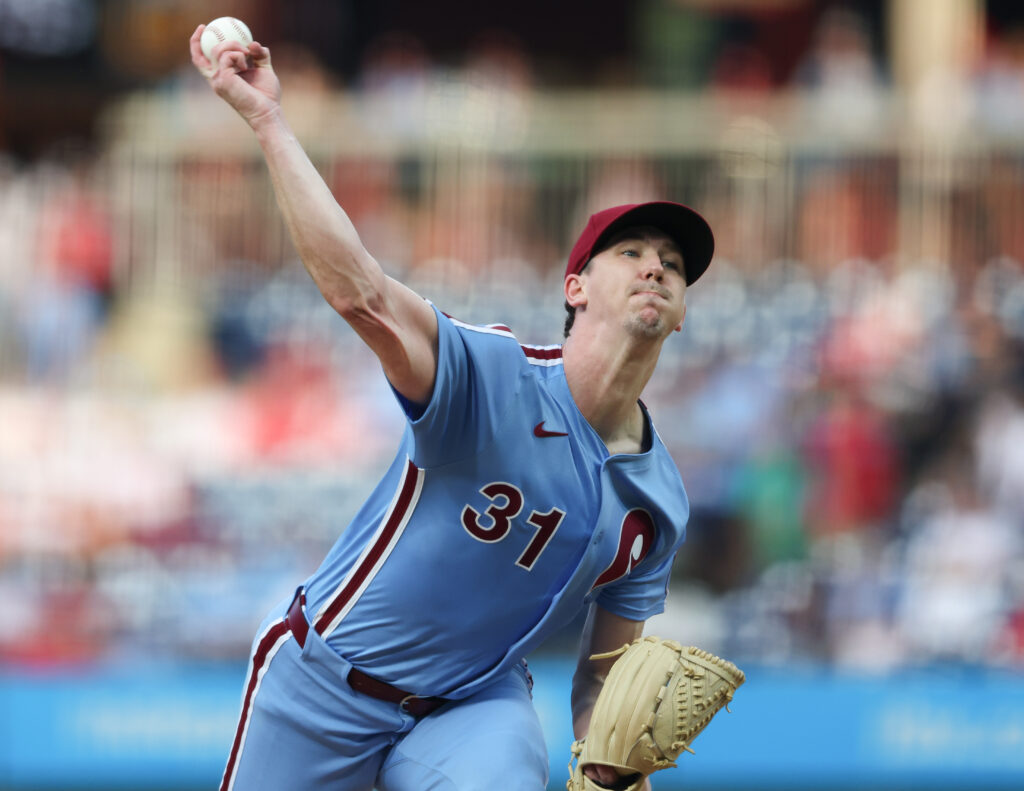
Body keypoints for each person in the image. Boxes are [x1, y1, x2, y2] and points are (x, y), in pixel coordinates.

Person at [190, 25, 715, 791]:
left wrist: (616, 769)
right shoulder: (493, 376)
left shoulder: (658, 500)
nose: (656, 269)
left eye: (673, 266)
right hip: (325, 681)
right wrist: (269, 122)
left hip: (473, 705)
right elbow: (362, 296)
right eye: (631, 252)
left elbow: (605, 682)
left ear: (679, 315)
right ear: (576, 287)